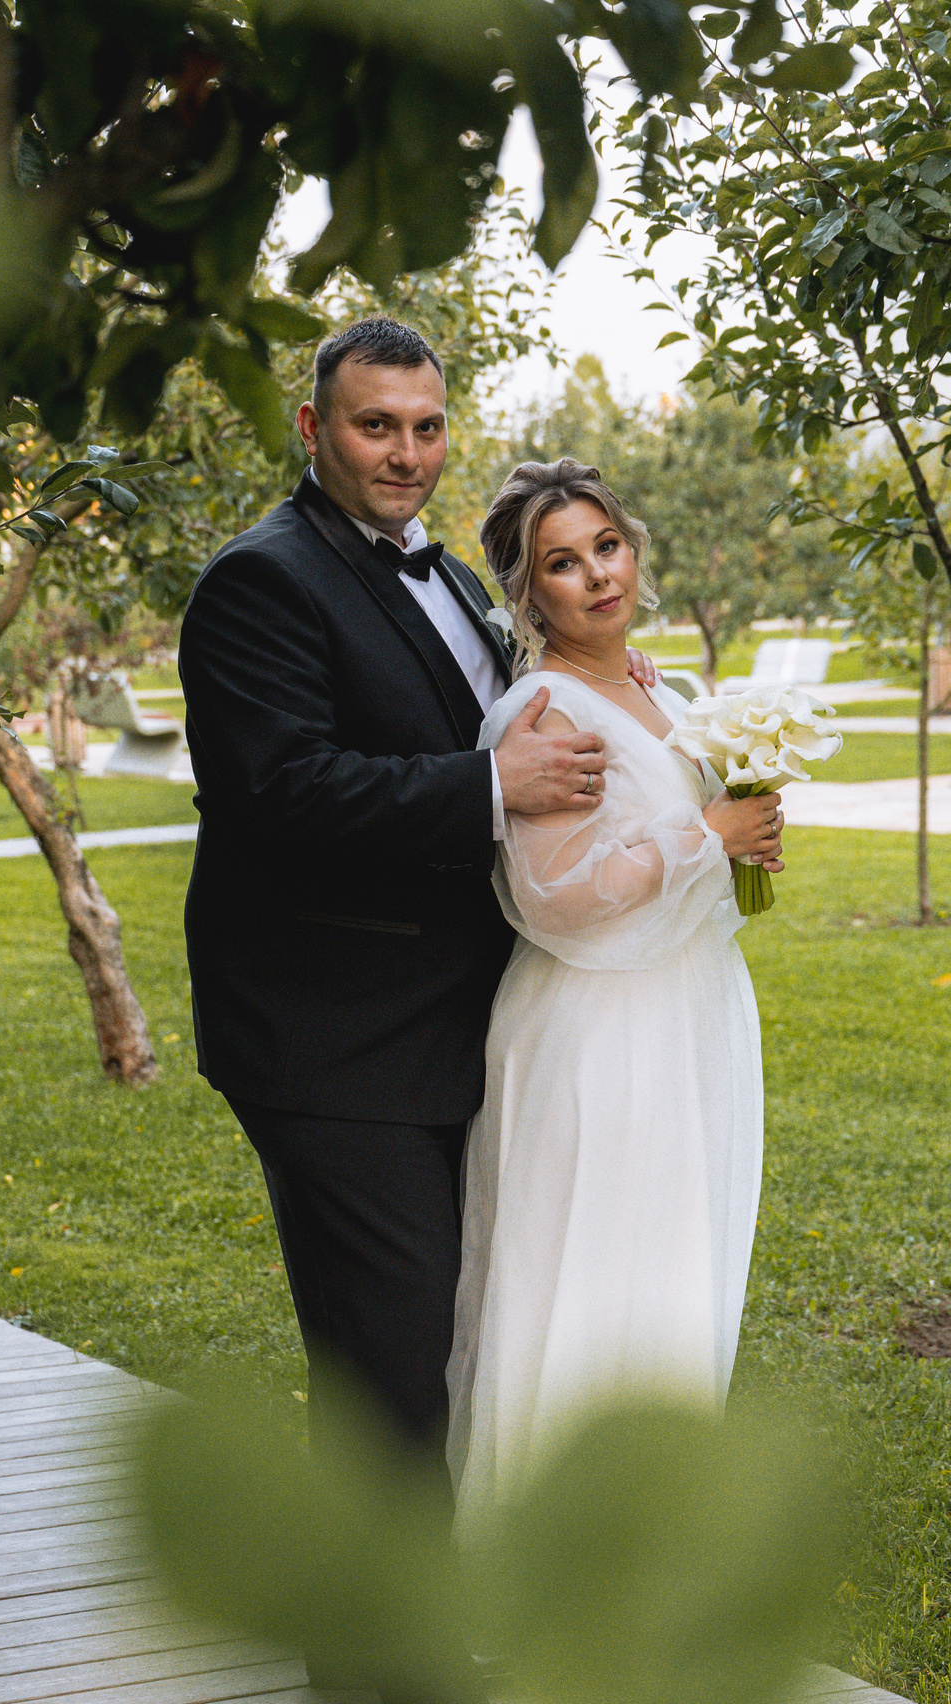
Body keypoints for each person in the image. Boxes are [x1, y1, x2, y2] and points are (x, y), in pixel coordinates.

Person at [175, 320, 661, 1505]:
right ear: (312, 429)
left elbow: (512, 714)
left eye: (426, 427)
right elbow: (280, 792)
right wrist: (495, 787)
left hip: (456, 1026)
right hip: (335, 1038)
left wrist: (616, 695)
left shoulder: (440, 573)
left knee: (452, 1347)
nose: (406, 453)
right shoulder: (263, 578)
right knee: (387, 1378)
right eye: (375, 425)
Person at [446, 458, 782, 1527]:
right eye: (561, 563)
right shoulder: (542, 714)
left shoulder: (653, 686)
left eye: (606, 546)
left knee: (672, 1292)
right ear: (526, 592)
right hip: (601, 1033)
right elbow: (556, 898)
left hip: (689, 1018)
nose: (595, 575)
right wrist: (705, 836)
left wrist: (742, 830)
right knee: (583, 1293)